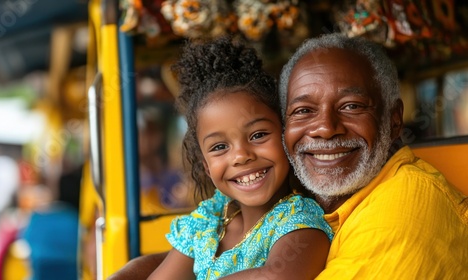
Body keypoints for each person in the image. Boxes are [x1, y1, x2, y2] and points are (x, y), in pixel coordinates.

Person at [108, 33, 468, 279]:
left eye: (351, 105)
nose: (325, 128)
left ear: (393, 119)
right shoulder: (304, 197)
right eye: (303, 111)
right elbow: (203, 260)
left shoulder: (405, 206)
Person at [147, 37, 333, 280]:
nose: (241, 156)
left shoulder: (300, 222)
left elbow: (277, 276)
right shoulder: (211, 220)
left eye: (258, 135)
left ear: (286, 135)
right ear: (205, 165)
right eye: (220, 147)